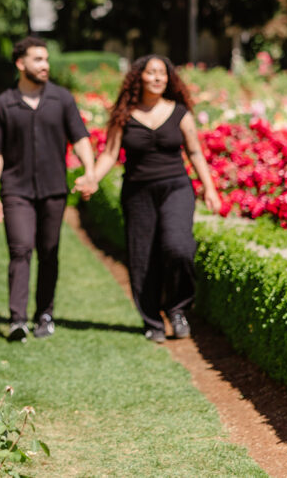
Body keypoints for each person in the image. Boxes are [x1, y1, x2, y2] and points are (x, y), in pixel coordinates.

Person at [74, 55, 221, 343]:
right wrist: (92, 178)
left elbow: (194, 152)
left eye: (162, 73)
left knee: (178, 247)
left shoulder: (180, 113)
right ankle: (152, 320)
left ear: (169, 79)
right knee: (143, 257)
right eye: (151, 73)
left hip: (176, 188)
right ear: (138, 77)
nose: (157, 78)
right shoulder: (124, 115)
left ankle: (177, 309)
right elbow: (110, 153)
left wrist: (209, 188)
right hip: (138, 193)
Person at [0, 37, 95, 342]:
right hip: (16, 189)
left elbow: (81, 138)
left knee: (49, 252)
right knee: (20, 250)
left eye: (46, 60)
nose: (45, 65)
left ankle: (44, 314)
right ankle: (17, 319)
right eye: (38, 60)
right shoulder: (4, 103)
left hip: (53, 190)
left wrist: (90, 171)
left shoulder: (62, 99)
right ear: (21, 64)